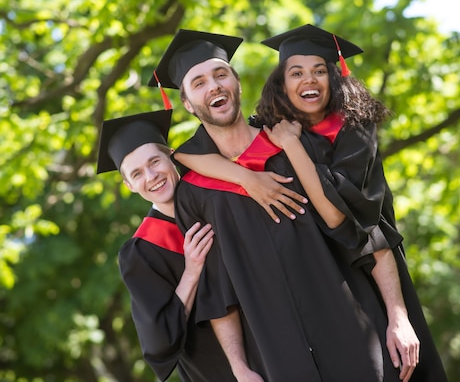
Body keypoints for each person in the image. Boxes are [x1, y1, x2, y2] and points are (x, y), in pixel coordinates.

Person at [149, 29, 389, 382]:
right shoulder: (193, 191)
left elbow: (362, 229)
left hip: (348, 327)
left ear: (237, 82)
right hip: (275, 353)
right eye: (198, 83)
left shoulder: (292, 144)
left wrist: (396, 315)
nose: (213, 86)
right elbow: (217, 291)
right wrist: (238, 366)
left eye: (220, 75)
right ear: (186, 103)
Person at [95, 109, 261, 381]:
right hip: (217, 373)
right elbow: (160, 340)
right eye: (136, 174)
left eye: (154, 162)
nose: (151, 176)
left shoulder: (220, 198)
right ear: (128, 185)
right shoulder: (141, 253)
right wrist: (191, 273)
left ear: (171, 155)